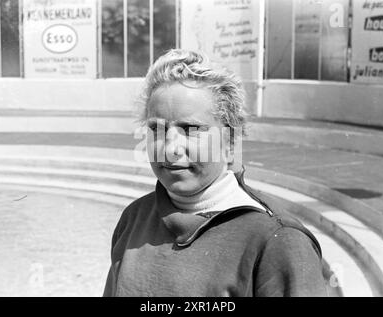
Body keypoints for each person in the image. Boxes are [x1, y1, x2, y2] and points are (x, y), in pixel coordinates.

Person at [103, 49, 328, 297]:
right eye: (156, 128)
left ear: (230, 142)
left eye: (190, 129)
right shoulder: (135, 219)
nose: (170, 148)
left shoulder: (277, 239)